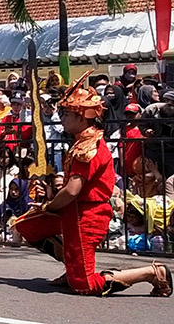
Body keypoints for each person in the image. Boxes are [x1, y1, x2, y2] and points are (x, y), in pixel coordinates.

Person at [13, 71, 172, 297]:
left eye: (66, 113)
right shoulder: (83, 141)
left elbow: (72, 190)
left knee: (84, 285)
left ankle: (153, 273)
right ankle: (73, 268)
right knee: (28, 224)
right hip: (76, 211)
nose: (63, 118)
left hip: (86, 215)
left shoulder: (88, 146)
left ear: (81, 117)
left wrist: (50, 206)